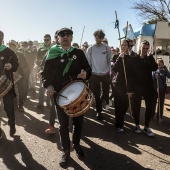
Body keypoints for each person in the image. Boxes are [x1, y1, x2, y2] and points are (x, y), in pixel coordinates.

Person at [41, 27, 92, 166]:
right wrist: (48, 85)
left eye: (68, 34)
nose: (65, 36)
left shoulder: (78, 53)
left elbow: (88, 69)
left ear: (71, 38)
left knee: (78, 123)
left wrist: (86, 74)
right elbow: (44, 73)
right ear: (57, 38)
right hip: (59, 95)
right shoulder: (51, 53)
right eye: (62, 35)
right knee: (63, 125)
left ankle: (76, 144)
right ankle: (65, 150)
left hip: (77, 95)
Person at [132, 40, 158, 136]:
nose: (145, 50)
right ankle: (137, 124)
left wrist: (150, 56)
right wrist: (130, 89)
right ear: (140, 48)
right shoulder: (134, 59)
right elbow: (131, 75)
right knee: (136, 107)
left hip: (148, 87)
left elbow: (155, 67)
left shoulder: (149, 58)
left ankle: (146, 126)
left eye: (147, 48)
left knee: (150, 108)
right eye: (143, 48)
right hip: (137, 87)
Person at [86, 29, 111, 120]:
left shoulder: (107, 48)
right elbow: (88, 62)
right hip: (94, 74)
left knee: (105, 94)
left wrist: (108, 72)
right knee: (96, 94)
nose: (98, 39)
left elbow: (109, 60)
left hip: (105, 74)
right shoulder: (90, 49)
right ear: (94, 37)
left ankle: (101, 103)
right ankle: (99, 111)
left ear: (103, 38)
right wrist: (89, 73)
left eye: (100, 37)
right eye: (97, 37)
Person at [112, 40, 134, 133]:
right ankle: (120, 125)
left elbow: (133, 74)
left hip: (127, 86)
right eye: (122, 45)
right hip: (118, 85)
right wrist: (120, 58)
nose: (123, 47)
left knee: (125, 106)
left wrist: (131, 89)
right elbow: (114, 69)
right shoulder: (117, 56)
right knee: (119, 106)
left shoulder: (131, 58)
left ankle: (118, 120)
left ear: (128, 46)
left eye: (125, 45)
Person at [0, 30, 19, 139]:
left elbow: (16, 64)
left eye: (0, 36)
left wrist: (11, 66)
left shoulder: (9, 52)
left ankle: (12, 125)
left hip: (5, 84)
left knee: (9, 108)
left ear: (2, 38)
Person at [8, 40, 28, 112]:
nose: (11, 46)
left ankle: (21, 106)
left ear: (15, 46)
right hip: (10, 76)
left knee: (20, 91)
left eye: (13, 45)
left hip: (20, 75)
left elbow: (25, 65)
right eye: (10, 45)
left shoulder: (20, 54)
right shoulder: (7, 54)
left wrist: (23, 75)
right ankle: (15, 106)